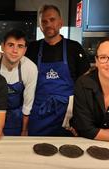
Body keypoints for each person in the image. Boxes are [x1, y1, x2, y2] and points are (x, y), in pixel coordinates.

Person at [25, 4, 90, 136]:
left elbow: (86, 80)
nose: (48, 24)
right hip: (39, 112)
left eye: (52, 19)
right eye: (44, 21)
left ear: (61, 23)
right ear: (40, 26)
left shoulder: (74, 47)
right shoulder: (32, 48)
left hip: (67, 114)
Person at [0, 29, 38, 136]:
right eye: (10, 45)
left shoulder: (30, 68)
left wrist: (24, 130)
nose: (15, 50)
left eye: (20, 46)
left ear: (25, 50)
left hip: (16, 117)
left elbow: (28, 103)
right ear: (2, 46)